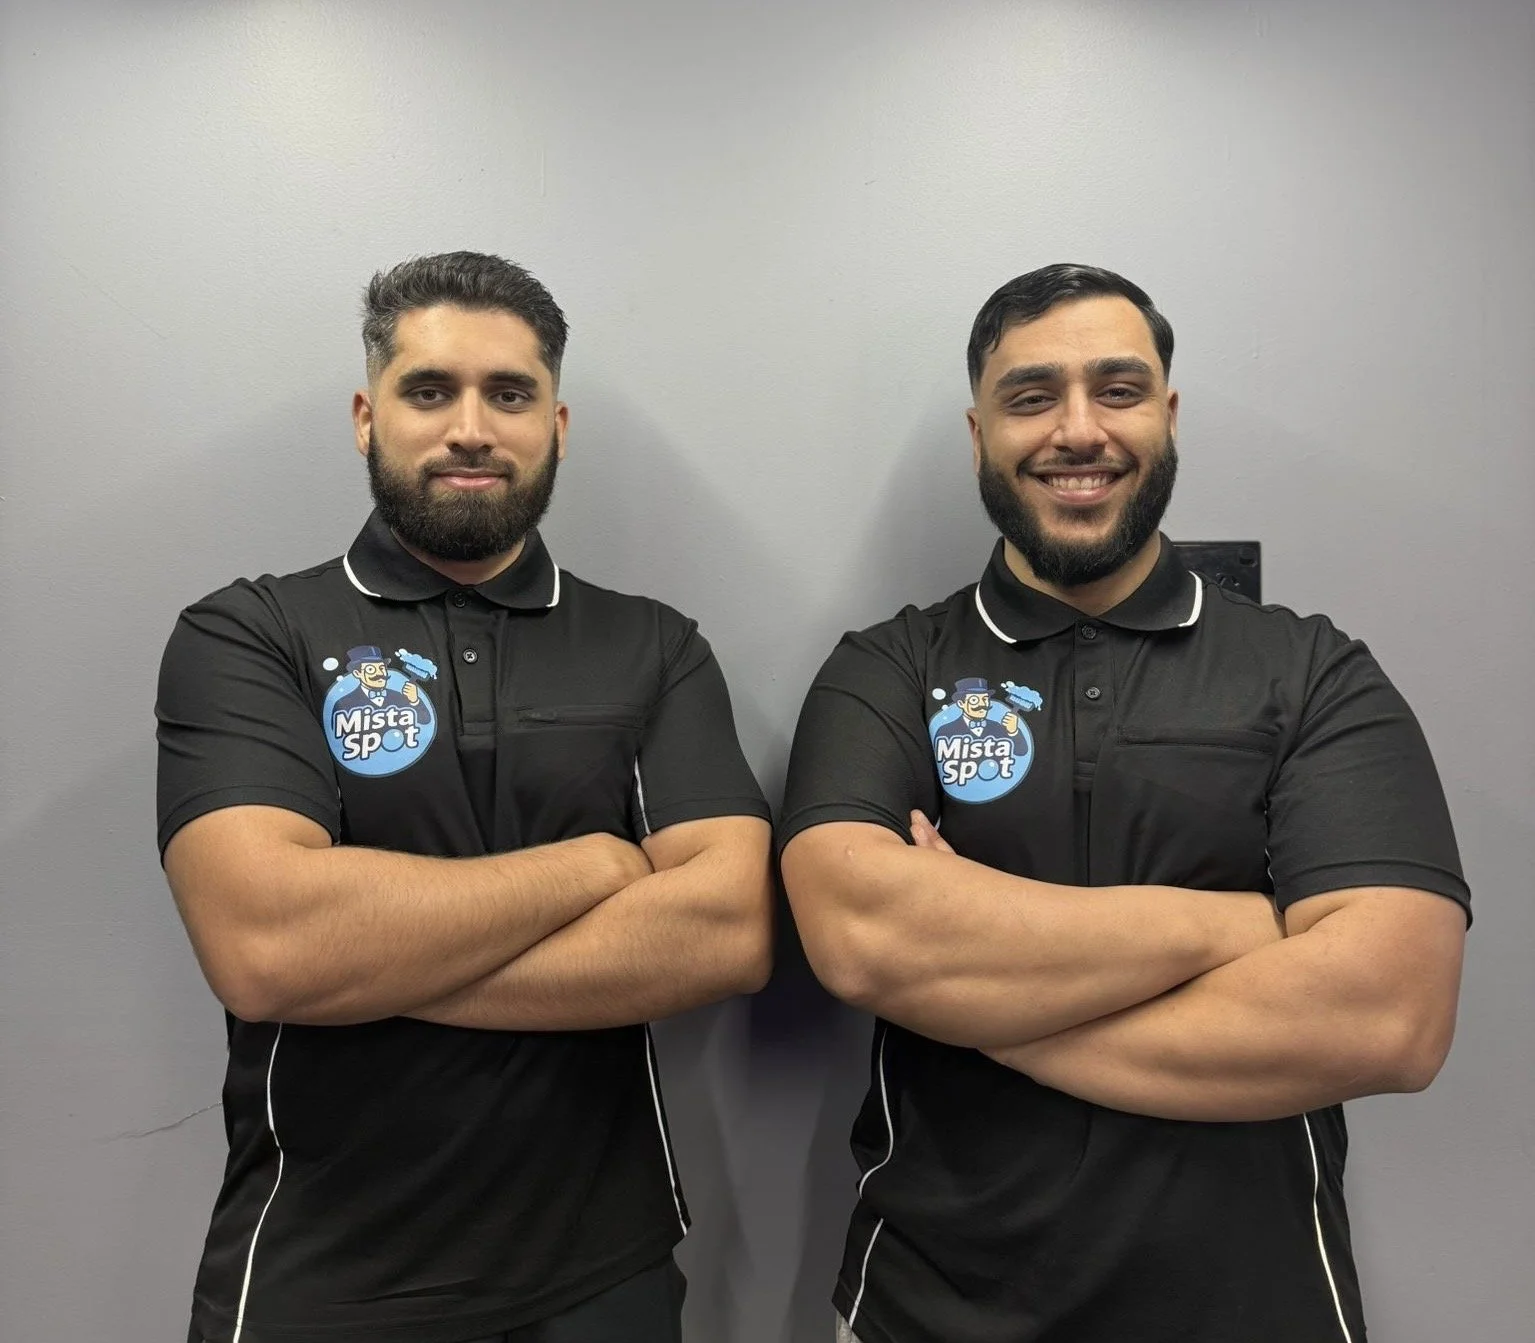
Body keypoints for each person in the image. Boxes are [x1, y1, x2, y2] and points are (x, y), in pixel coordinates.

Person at [778, 263, 1469, 1343]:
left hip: (1261, 1307)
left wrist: (978, 1001)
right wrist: (1240, 926)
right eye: (1029, 395)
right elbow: (866, 939)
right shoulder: (886, 670)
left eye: (1115, 388)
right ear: (977, 431)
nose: (1076, 429)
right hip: (929, 1307)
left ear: (1166, 413)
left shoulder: (1311, 671)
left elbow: (1388, 1016)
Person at [155, 251, 773, 1343]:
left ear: (558, 423)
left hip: (603, 1274)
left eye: (510, 393)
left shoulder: (654, 646)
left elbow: (724, 931)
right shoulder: (251, 633)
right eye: (430, 390)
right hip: (321, 1268)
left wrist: (368, 957)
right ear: (366, 413)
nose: (471, 427)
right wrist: (595, 866)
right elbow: (266, 944)